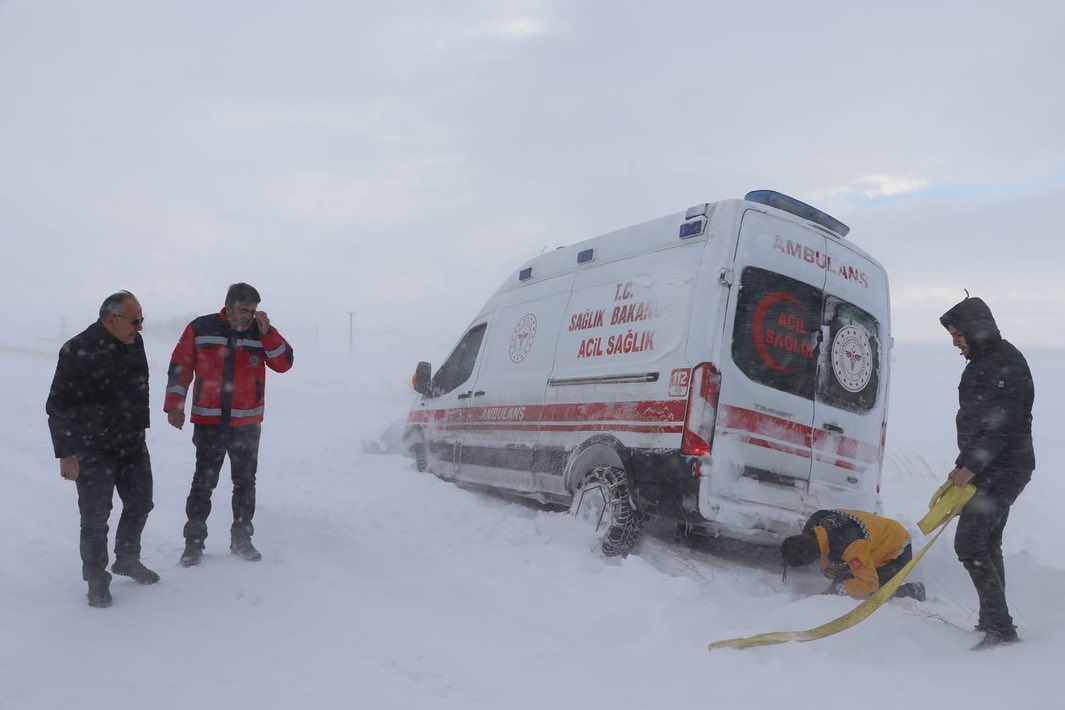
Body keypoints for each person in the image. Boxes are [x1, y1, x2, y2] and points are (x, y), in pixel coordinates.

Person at [165, 283, 294, 566]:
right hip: (209, 422)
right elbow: (181, 366)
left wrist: (268, 333)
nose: (247, 316)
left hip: (247, 424)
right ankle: (194, 543)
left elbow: (284, 363)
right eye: (243, 310)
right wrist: (175, 405)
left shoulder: (260, 334)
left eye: (253, 311)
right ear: (229, 306)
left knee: (245, 484)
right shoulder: (202, 327)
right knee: (203, 483)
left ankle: (242, 539)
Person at [46, 291, 159, 608]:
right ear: (111, 319)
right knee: (95, 517)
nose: (139, 327)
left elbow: (140, 387)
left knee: (141, 502)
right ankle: (96, 579)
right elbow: (58, 405)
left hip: (131, 442)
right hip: (92, 446)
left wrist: (139, 427)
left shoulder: (134, 342)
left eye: (142, 320)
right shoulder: (77, 349)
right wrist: (66, 453)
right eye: (134, 321)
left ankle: (126, 558)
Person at [940, 295, 1034, 650]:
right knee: (986, 541)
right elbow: (980, 423)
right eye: (952, 334)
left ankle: (1001, 629)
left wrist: (971, 466)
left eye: (958, 333)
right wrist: (963, 465)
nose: (955, 341)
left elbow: (1002, 425)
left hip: (1005, 468)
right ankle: (992, 620)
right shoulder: (984, 361)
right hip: (992, 466)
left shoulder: (1004, 363)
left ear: (977, 329)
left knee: (969, 543)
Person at [781, 509, 925, 601]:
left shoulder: (851, 547)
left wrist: (837, 591)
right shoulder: (814, 522)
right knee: (843, 580)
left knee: (870, 594)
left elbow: (869, 583)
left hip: (896, 549)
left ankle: (912, 590)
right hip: (873, 538)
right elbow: (824, 549)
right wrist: (828, 571)